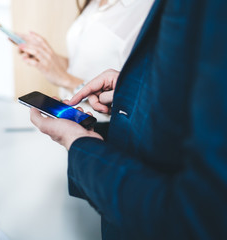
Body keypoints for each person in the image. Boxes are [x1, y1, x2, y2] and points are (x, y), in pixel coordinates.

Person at [30, 0, 227, 239]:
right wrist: (129, 89)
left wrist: (78, 143)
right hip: (112, 155)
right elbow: (176, 91)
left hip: (130, 194)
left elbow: (195, 215)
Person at [18, 0, 154, 121]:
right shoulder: (94, 2)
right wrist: (47, 59)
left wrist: (65, 79)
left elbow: (139, 98)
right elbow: (84, 65)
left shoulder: (148, 9)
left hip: (106, 129)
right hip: (72, 118)